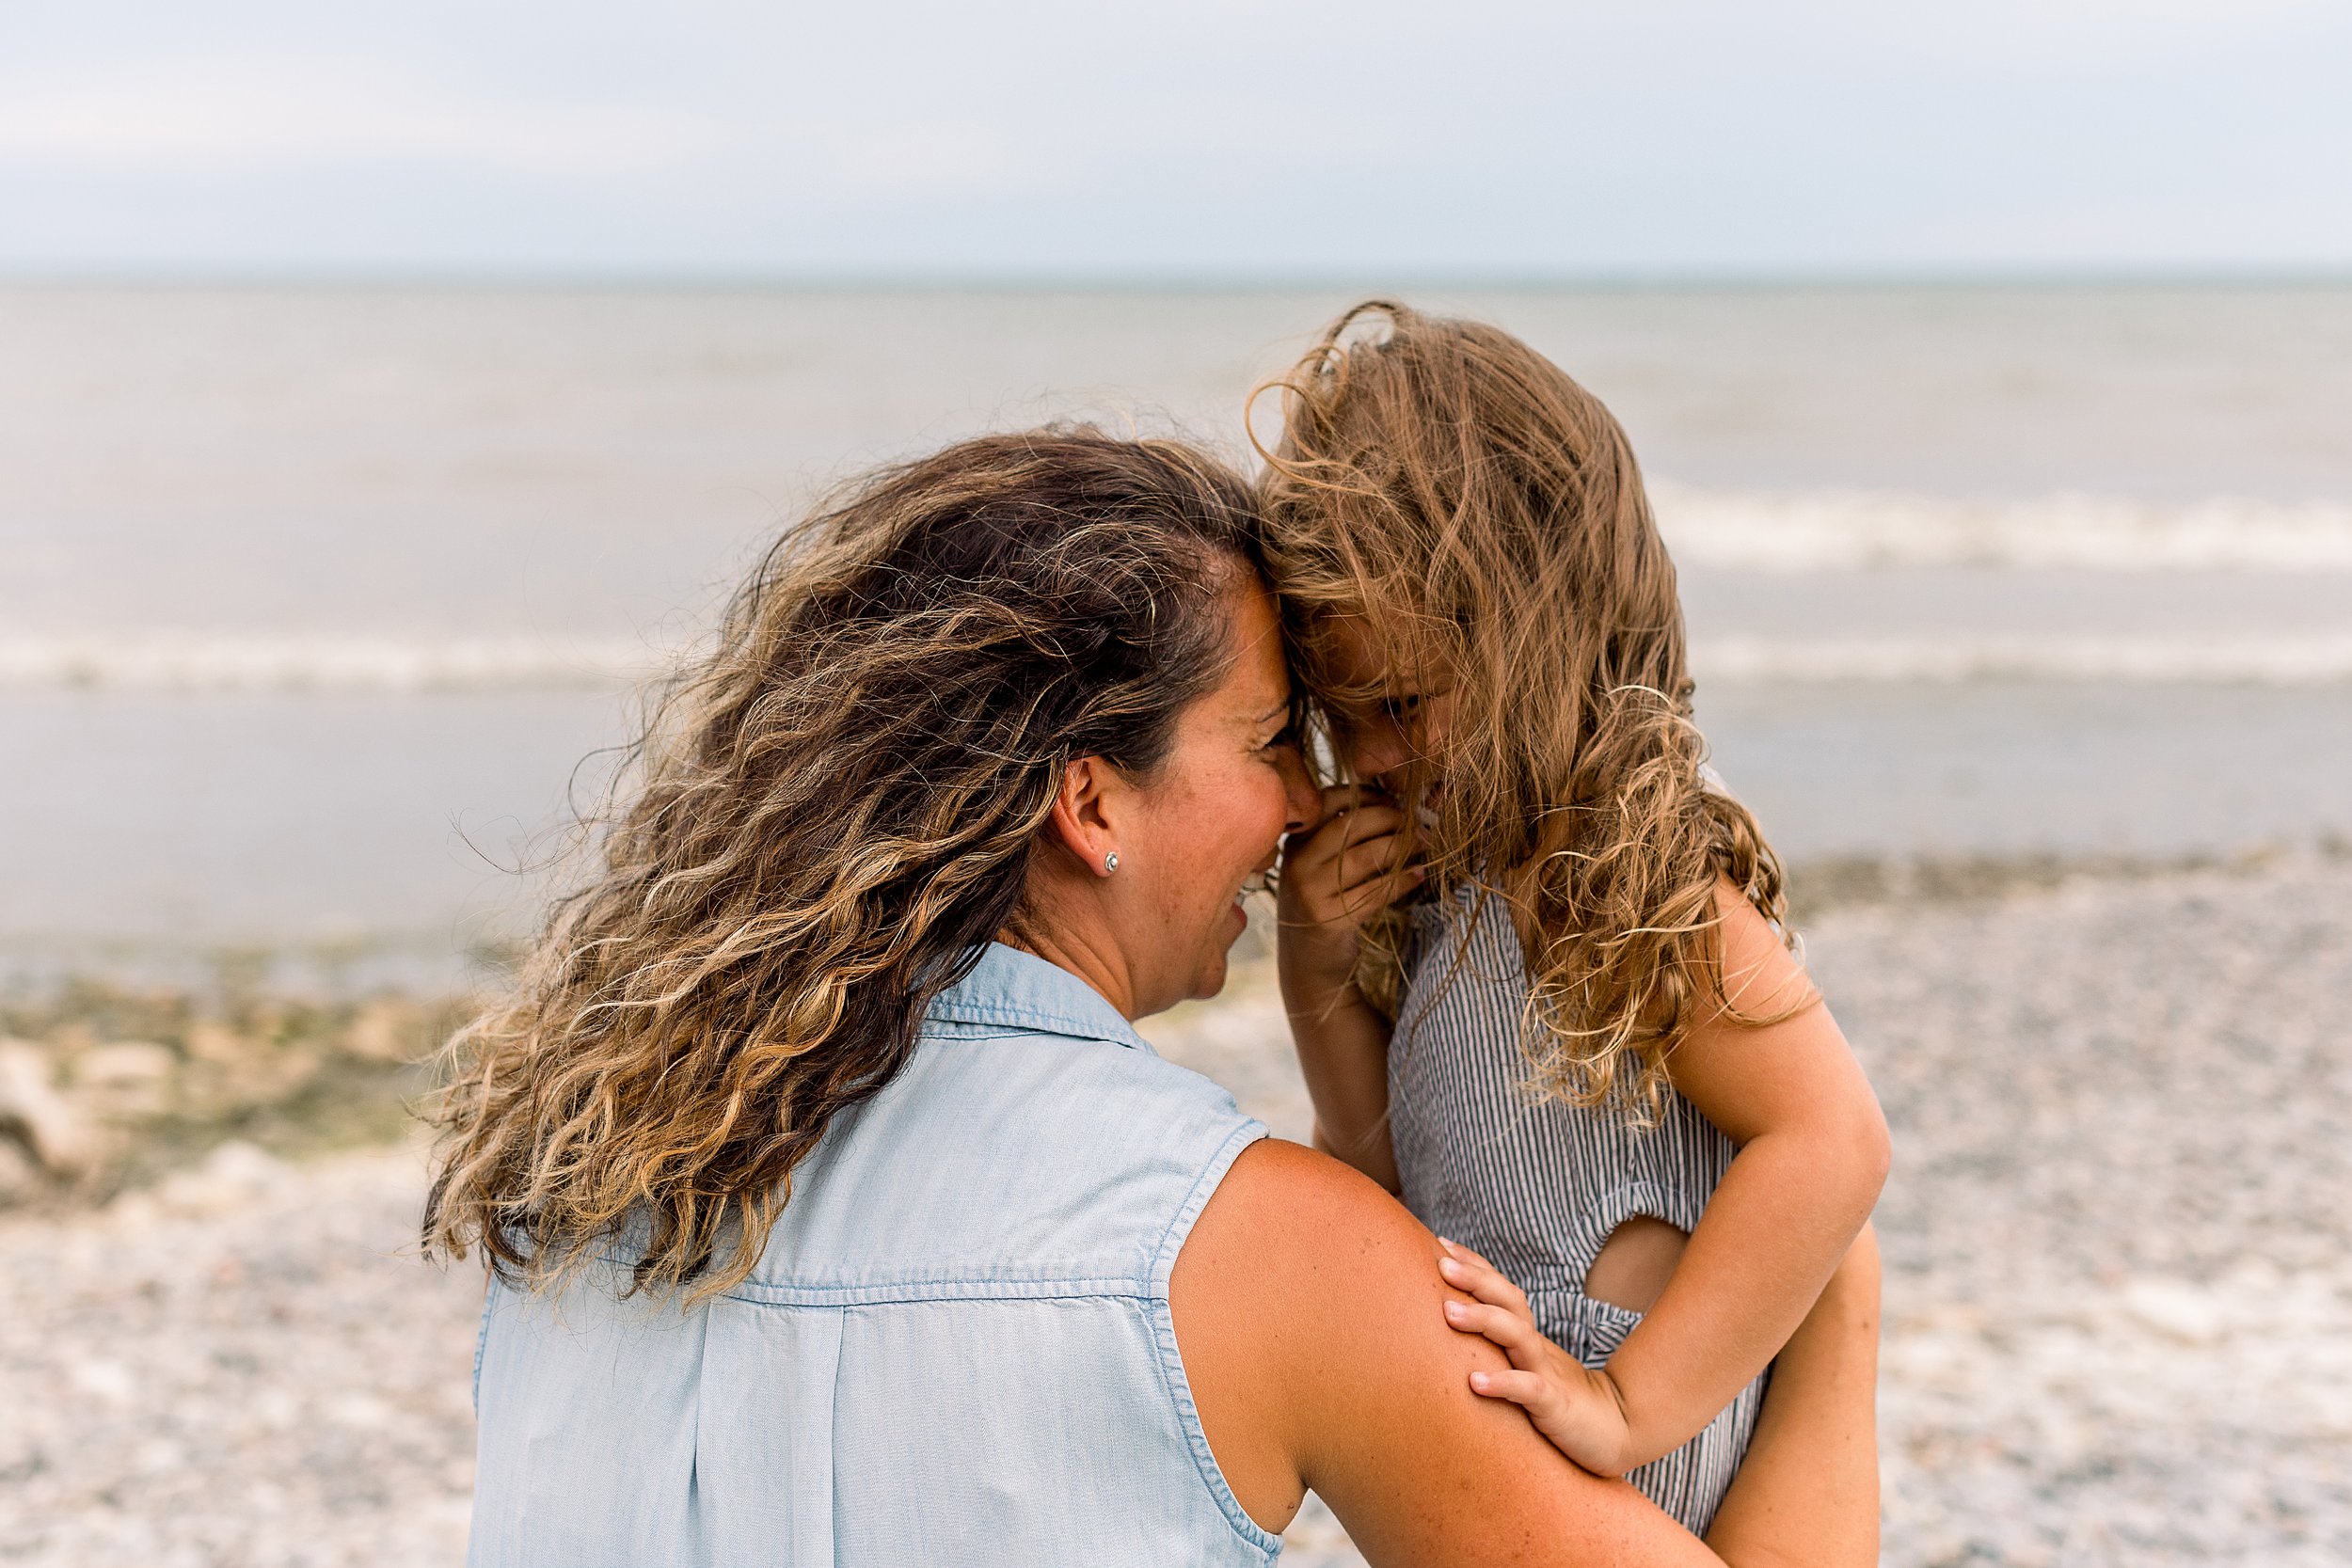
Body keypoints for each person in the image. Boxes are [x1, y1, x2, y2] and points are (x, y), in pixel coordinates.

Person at [423, 428, 1881, 1566]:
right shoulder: (1252, 1244)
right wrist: (1833, 1298)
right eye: (1267, 742)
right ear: (1091, 804)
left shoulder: (579, 1189)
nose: (1312, 803)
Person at [1260, 301, 1893, 1532]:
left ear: (1536, 639)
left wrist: (1627, 1402)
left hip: (1626, 1453)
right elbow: (1378, 1168)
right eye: (1347, 722)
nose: (1375, 758)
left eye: (1402, 704)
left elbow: (1835, 1140)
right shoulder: (1449, 901)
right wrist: (1313, 962)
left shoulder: (1620, 873)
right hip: (1524, 1456)